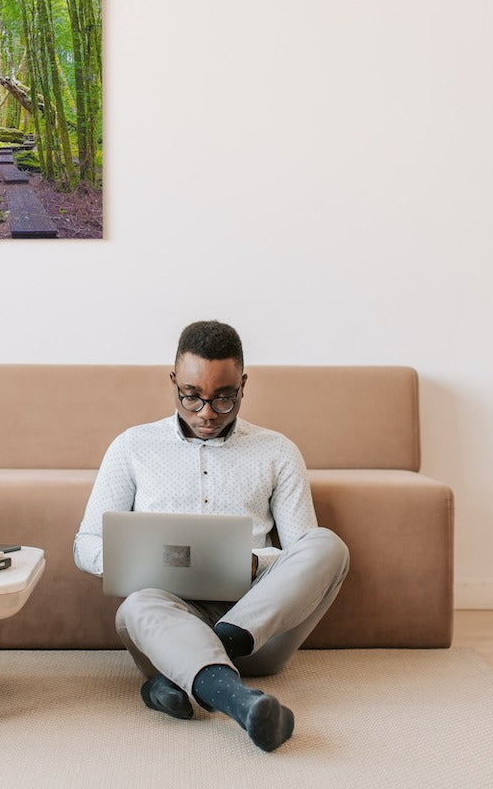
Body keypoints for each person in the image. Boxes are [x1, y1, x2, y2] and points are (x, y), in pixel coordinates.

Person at [73, 321, 349, 752]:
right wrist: (137, 561)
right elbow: (85, 543)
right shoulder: (132, 446)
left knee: (329, 546)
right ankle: (242, 703)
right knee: (138, 605)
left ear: (243, 385)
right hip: (168, 623)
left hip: (259, 631)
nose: (206, 412)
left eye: (224, 398)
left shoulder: (278, 451)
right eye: (192, 396)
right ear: (173, 383)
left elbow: (302, 554)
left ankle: (183, 674)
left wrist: (258, 563)